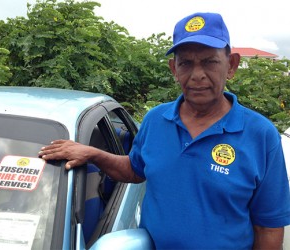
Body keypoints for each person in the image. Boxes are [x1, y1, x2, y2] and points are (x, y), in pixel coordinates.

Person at [39, 12, 290, 249]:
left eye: (209, 62)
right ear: (174, 69)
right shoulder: (156, 119)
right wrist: (94, 154)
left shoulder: (261, 135)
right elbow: (135, 170)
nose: (197, 75)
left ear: (231, 65)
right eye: (186, 63)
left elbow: (269, 227)